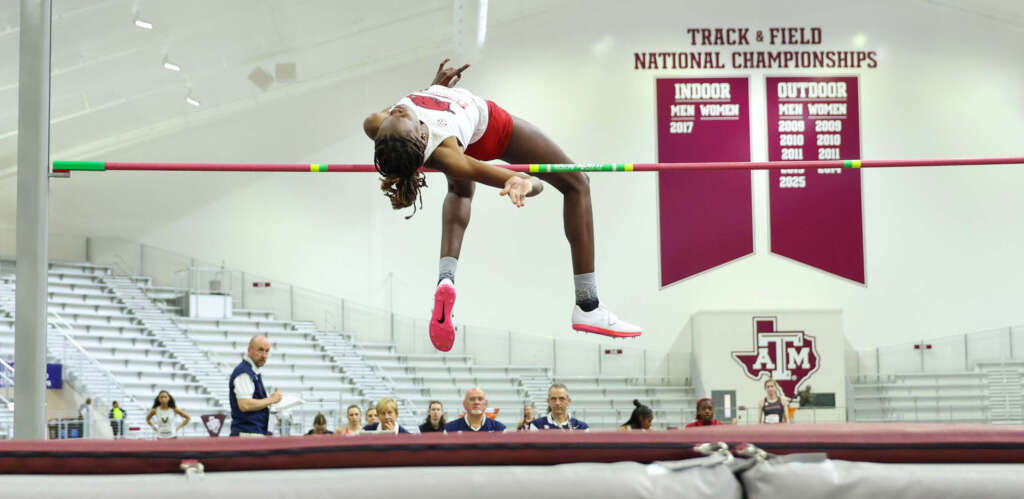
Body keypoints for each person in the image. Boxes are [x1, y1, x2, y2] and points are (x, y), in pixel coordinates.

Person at [363, 59, 642, 352]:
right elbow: (528, 183)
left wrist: (433, 88)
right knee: (577, 183)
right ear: (421, 135)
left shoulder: (378, 127)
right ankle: (588, 304)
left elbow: (402, 115)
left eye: (394, 113)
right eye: (399, 115)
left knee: (460, 191)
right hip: (490, 129)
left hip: (456, 132)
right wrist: (524, 184)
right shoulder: (449, 154)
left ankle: (446, 280)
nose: (396, 109)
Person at [229, 335, 283, 437]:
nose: (264, 355)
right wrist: (272, 399)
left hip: (253, 432)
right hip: (247, 434)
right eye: (260, 350)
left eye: (267, 351)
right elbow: (245, 405)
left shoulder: (252, 371)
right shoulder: (244, 373)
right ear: (249, 350)